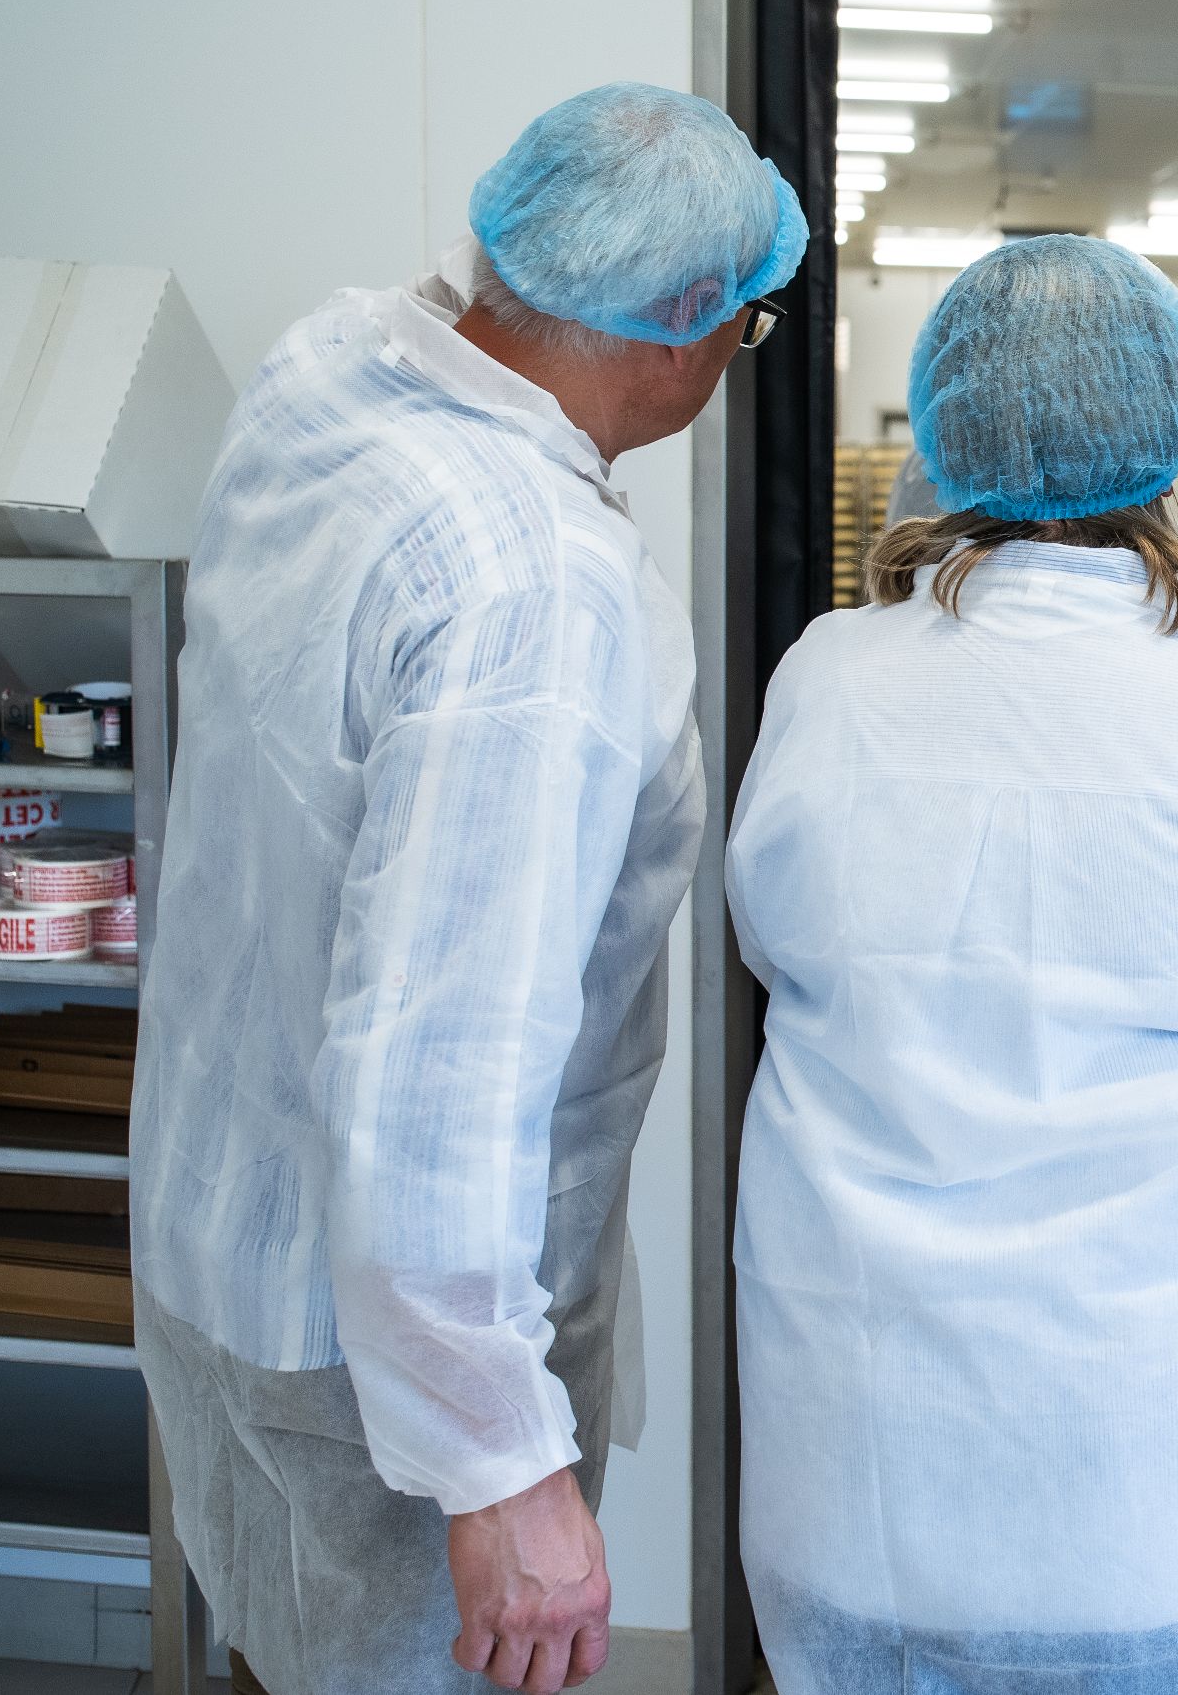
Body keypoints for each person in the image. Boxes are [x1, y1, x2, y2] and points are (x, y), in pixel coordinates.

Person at [134, 84, 801, 1695]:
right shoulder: (533, 593)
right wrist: (500, 1468)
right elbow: (440, 1060)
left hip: (218, 1227)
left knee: (272, 1649)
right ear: (683, 327)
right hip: (379, 1355)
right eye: (749, 324)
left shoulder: (330, 367)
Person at [725, 234, 1178, 1694]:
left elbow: (770, 955)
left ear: (946, 432)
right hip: (1175, 1455)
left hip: (867, 1447)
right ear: (1174, 440)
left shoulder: (828, 677)